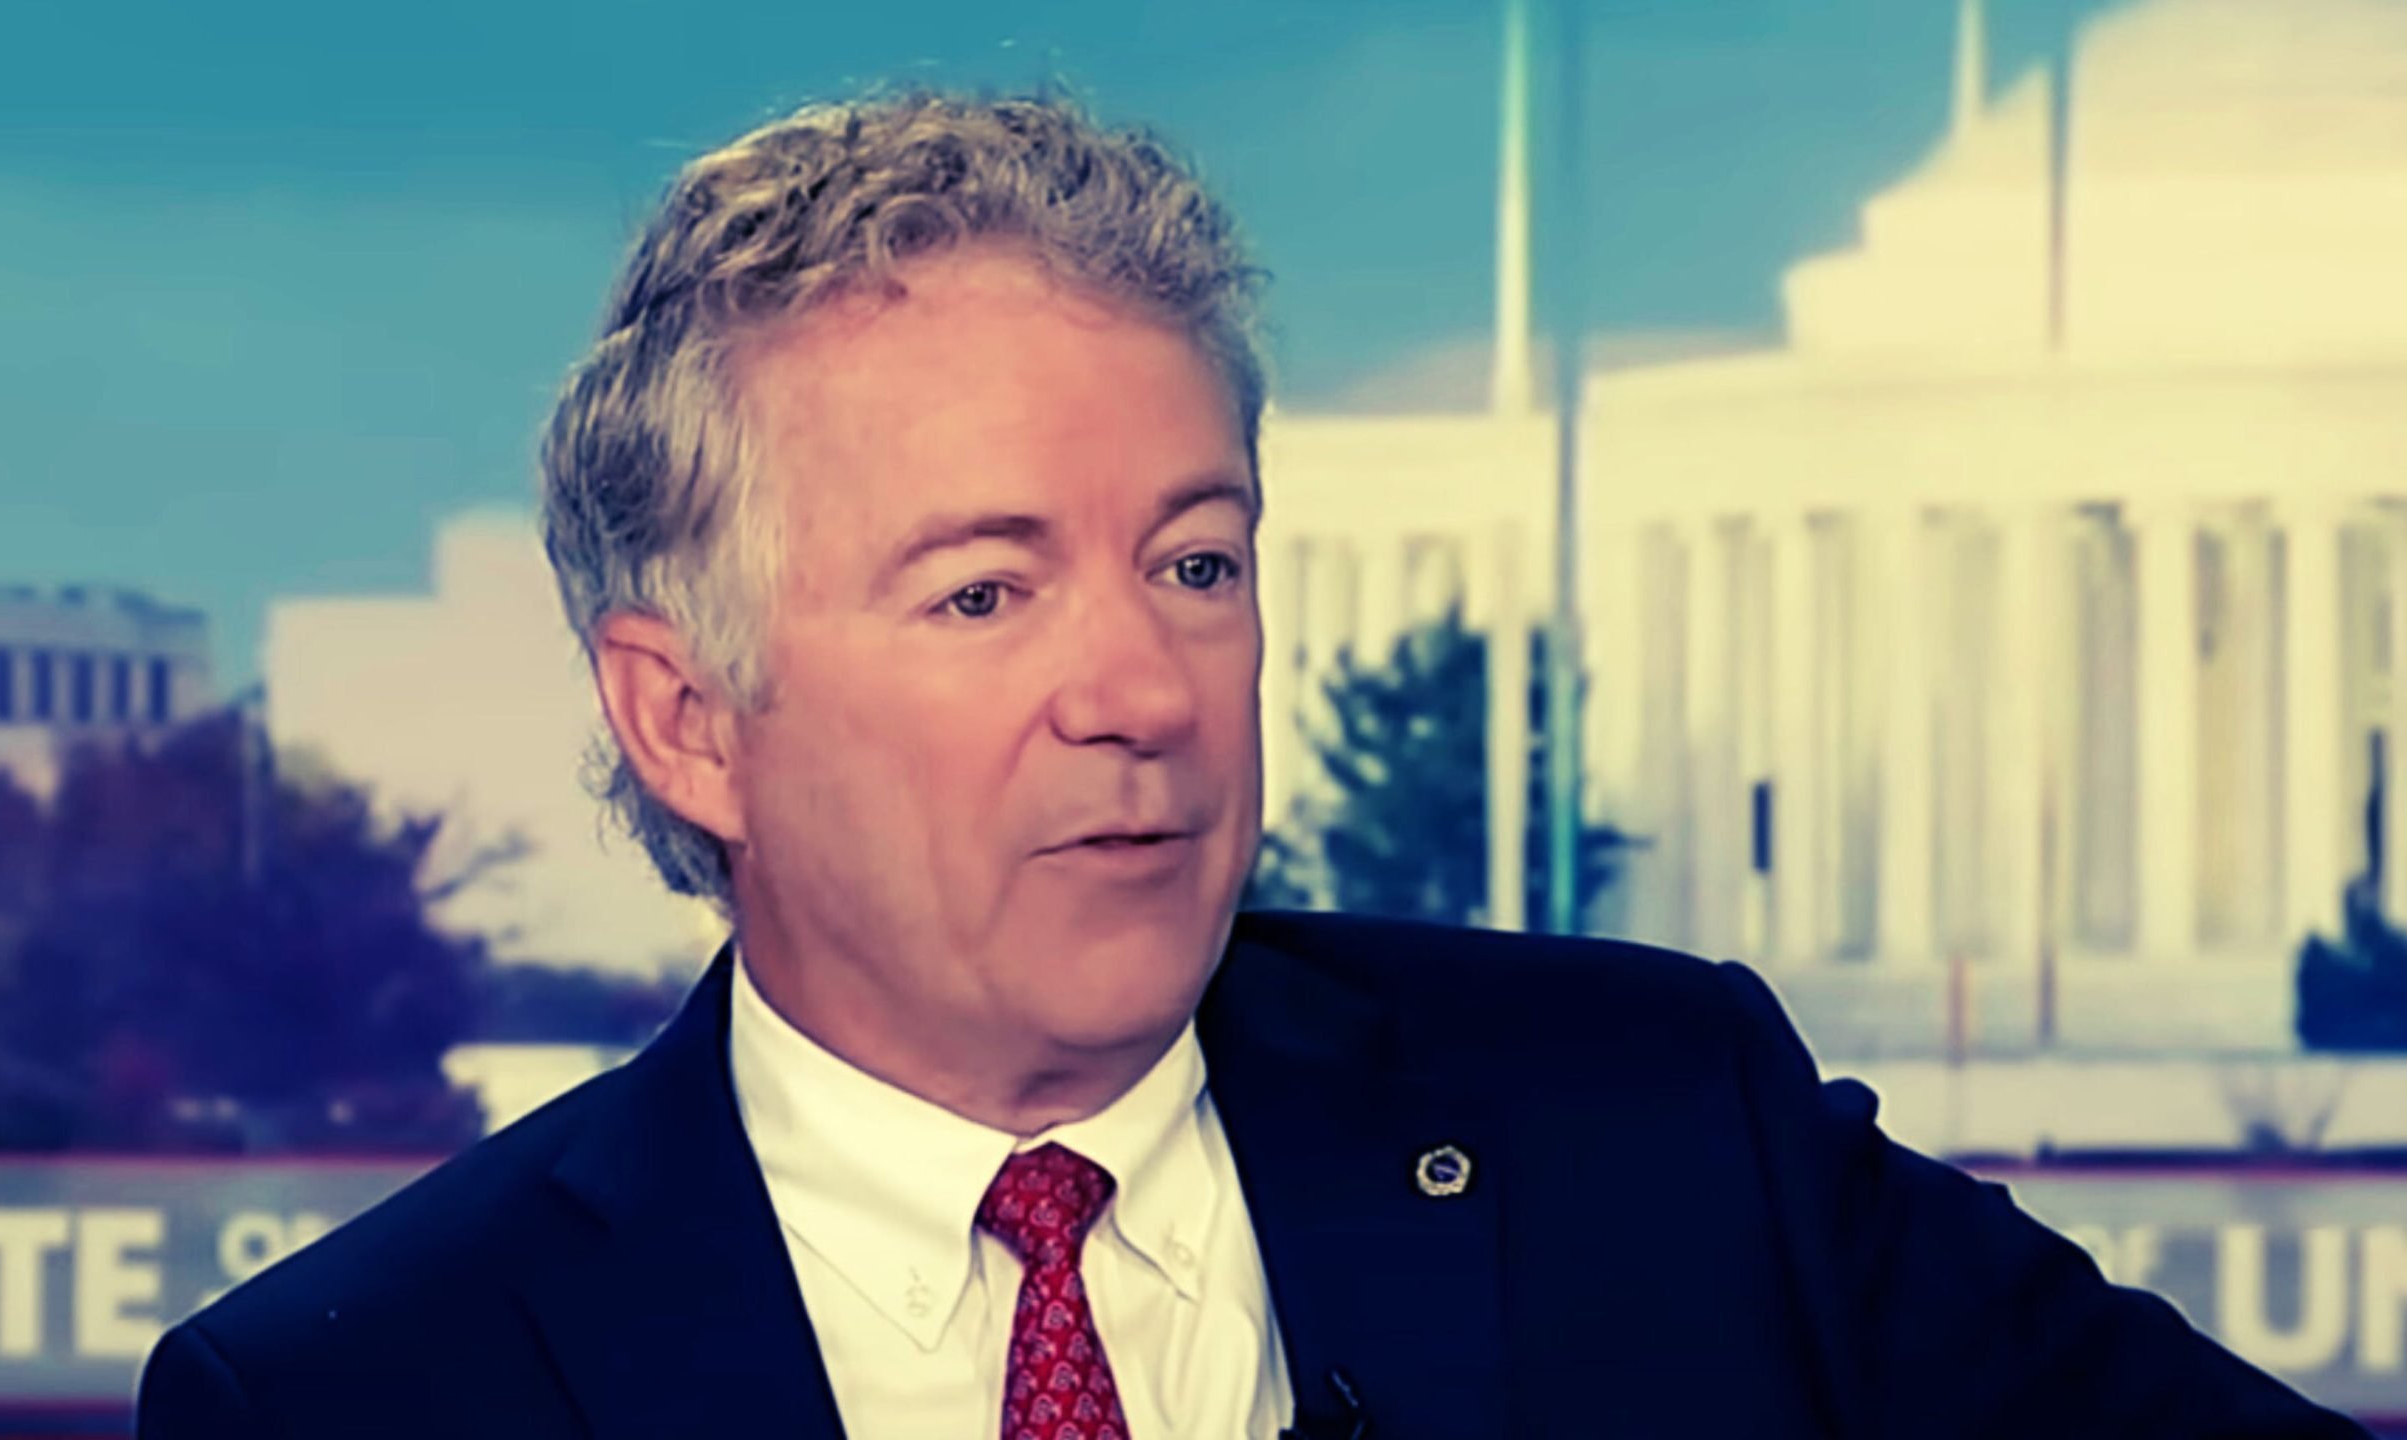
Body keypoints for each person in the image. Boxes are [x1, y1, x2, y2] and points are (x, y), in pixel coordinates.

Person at [134, 90, 2370, 1440]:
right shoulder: (358, 1395)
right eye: (985, 592)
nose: (1141, 683)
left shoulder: (1671, 1140)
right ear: (687, 717)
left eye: (1194, 562)